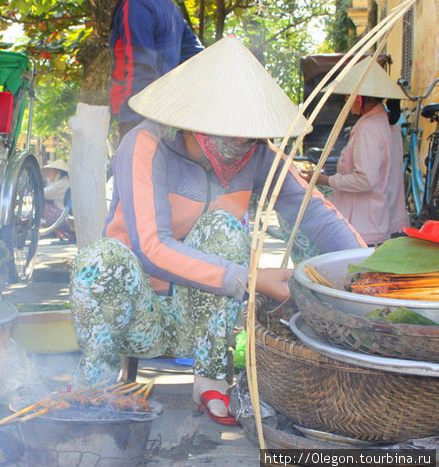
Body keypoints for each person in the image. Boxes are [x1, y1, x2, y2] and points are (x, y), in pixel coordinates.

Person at [70, 37, 365, 420]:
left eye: (246, 138)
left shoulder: (258, 153)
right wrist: (249, 278)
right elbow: (150, 246)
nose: (239, 148)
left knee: (225, 228)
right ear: (191, 121)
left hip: (200, 319)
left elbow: (313, 211)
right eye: (227, 137)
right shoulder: (145, 143)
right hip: (137, 314)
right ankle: (97, 385)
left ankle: (210, 377)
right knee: (100, 258)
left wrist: (367, 268)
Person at [301, 57, 408, 246]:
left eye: (348, 95)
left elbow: (365, 179)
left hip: (363, 223)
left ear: (360, 97)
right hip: (376, 218)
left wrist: (324, 179)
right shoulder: (386, 123)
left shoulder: (369, 128)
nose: (345, 100)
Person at [109, 0, 203, 139]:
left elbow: (140, 66)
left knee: (136, 160)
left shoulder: (136, 5)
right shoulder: (172, 9)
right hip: (165, 116)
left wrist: (135, 120)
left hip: (140, 115)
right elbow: (198, 58)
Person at [41, 159, 74, 241]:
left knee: (43, 206)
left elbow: (43, 194)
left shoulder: (61, 184)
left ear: (56, 172)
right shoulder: (66, 181)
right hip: (68, 217)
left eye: (51, 172)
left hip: (65, 219)